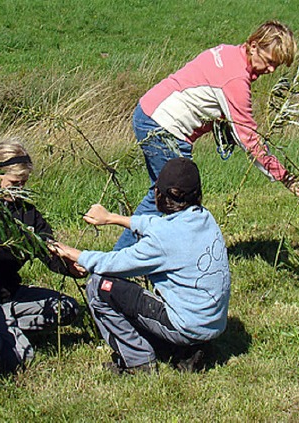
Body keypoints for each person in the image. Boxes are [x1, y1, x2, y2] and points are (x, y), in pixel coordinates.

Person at [114, 19, 299, 251]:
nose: (271, 70)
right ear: (253, 45)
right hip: (164, 128)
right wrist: (287, 179)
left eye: (276, 66)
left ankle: (137, 260)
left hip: (147, 113)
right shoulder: (236, 80)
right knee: (174, 199)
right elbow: (249, 139)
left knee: (163, 196)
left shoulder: (226, 52)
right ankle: (118, 264)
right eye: (270, 62)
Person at [56, 158, 231, 374]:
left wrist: (72, 253)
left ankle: (138, 362)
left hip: (188, 326)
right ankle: (188, 350)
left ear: (159, 194)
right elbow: (155, 224)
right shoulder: (204, 218)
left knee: (99, 286)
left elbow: (112, 264)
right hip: (212, 322)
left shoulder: (163, 240)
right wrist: (111, 218)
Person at [0, 139, 81, 371]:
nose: (19, 190)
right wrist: (22, 241)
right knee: (21, 359)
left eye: (24, 183)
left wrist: (69, 266)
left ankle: (8, 326)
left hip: (12, 294)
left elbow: (46, 246)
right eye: (14, 183)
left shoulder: (26, 211)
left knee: (67, 308)